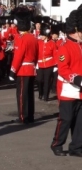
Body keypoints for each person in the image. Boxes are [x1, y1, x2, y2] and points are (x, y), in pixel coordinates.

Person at [51, 9, 82, 157]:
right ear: (75, 30)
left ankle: (76, 147)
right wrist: (76, 79)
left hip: (80, 90)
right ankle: (57, 143)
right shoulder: (65, 47)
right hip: (68, 89)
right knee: (66, 119)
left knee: (80, 121)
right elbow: (63, 69)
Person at [9, 10, 38, 124]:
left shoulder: (22, 39)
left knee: (21, 95)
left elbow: (18, 56)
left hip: (22, 69)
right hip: (31, 69)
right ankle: (30, 115)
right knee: (29, 94)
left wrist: (12, 71)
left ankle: (23, 116)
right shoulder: (33, 38)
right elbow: (36, 55)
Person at [36, 22, 58, 101]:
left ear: (46, 36)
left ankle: (46, 96)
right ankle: (40, 92)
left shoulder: (52, 43)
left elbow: (55, 54)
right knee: (39, 80)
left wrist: (55, 65)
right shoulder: (38, 42)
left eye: (42, 35)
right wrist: (36, 63)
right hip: (40, 64)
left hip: (49, 64)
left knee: (47, 81)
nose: (40, 36)